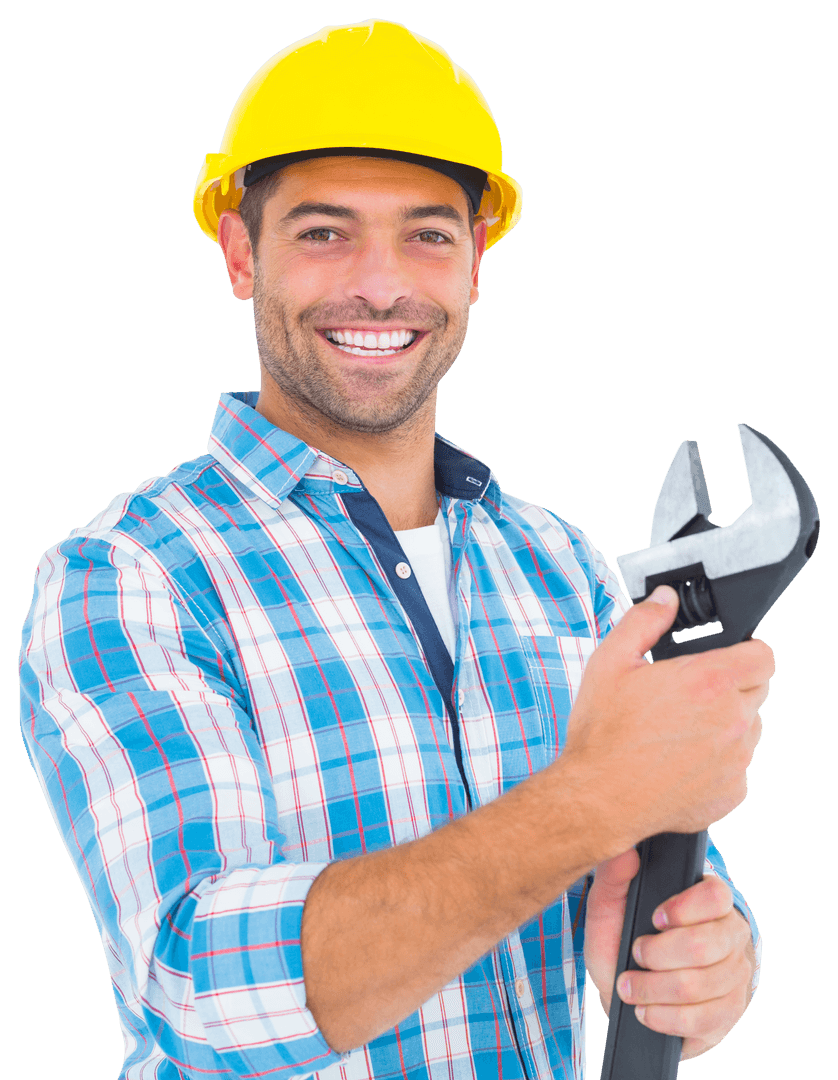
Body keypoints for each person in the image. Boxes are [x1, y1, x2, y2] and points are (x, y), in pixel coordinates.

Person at [19, 19, 770, 1080]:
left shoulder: (556, 563)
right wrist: (591, 799)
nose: (380, 285)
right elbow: (200, 990)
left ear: (474, 264)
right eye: (324, 233)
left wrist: (709, 963)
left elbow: (659, 880)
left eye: (427, 234)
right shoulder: (133, 576)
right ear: (241, 253)